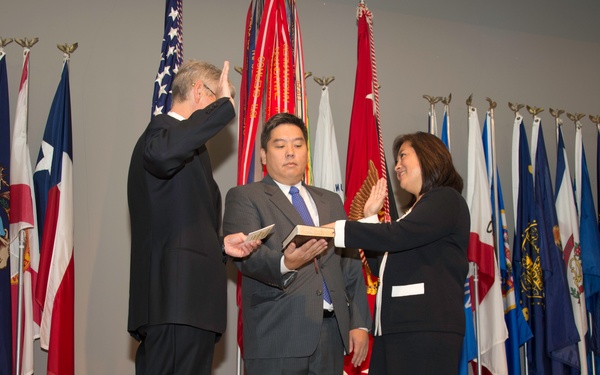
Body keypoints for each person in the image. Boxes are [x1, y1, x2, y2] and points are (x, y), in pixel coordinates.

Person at [127, 59, 260, 375]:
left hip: (193, 305)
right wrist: (225, 106)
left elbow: (183, 220)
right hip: (174, 301)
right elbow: (161, 155)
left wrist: (221, 246)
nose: (222, 109)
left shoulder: (190, 151)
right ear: (199, 91)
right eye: (217, 97)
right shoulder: (162, 132)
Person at [223, 113, 372, 375]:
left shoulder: (331, 201)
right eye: (280, 146)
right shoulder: (246, 196)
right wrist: (285, 263)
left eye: (298, 144)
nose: (290, 152)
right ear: (263, 155)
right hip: (277, 336)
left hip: (331, 336)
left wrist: (359, 323)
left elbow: (349, 266)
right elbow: (246, 256)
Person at [326, 131, 470, 374]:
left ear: (428, 156)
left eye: (403, 156)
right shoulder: (416, 211)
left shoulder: (445, 199)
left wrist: (340, 229)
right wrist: (371, 215)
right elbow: (379, 265)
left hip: (425, 328)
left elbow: (397, 236)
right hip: (398, 328)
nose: (396, 166)